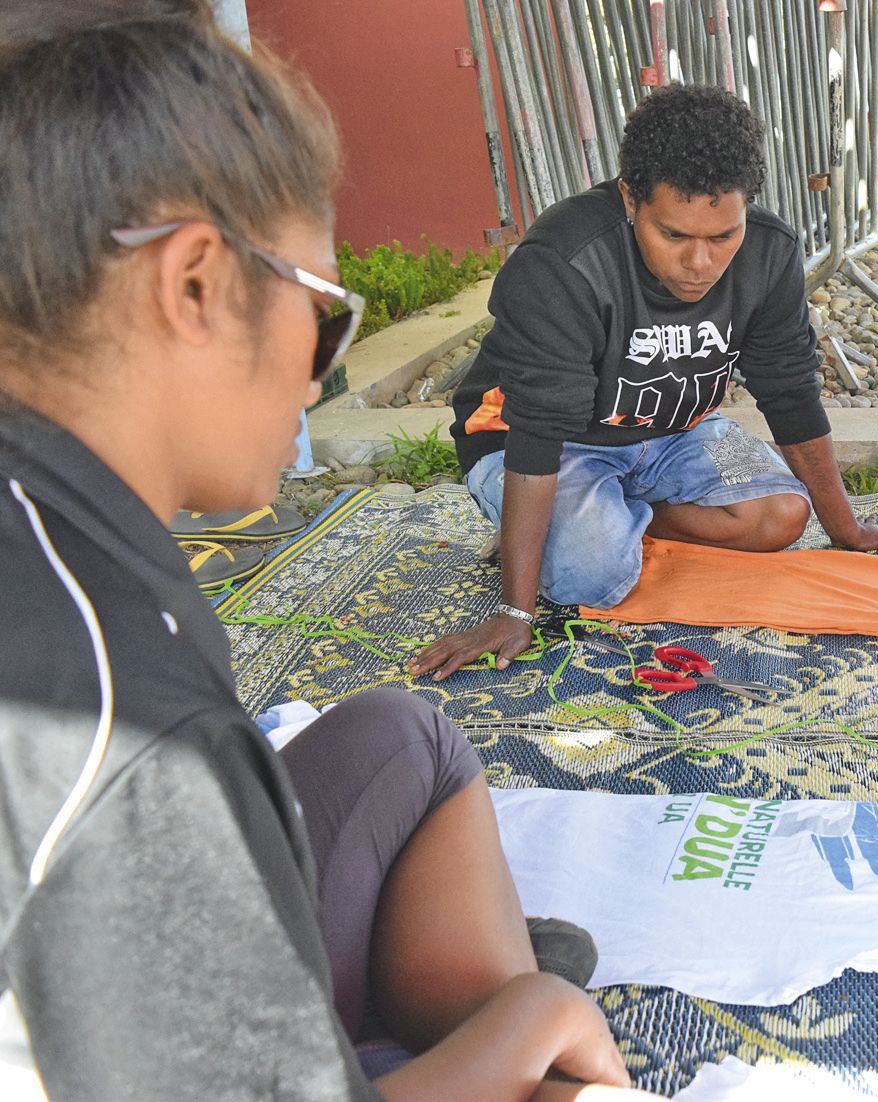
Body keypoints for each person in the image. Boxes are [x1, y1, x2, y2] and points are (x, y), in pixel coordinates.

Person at [0, 5, 656, 1098]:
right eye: (326, 320)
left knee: (408, 732)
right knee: (541, 1054)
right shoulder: (120, 717)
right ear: (195, 284)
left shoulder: (67, 526)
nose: (315, 378)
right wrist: (532, 1018)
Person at [410, 85, 878, 682]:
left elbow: (790, 392)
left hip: (674, 431)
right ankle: (552, 533)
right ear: (629, 200)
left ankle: (599, 520)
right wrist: (516, 610)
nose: (701, 264)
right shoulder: (563, 262)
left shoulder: (770, 253)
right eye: (674, 236)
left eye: (723, 237)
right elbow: (537, 431)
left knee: (783, 517)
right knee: (593, 575)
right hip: (540, 441)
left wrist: (844, 527)